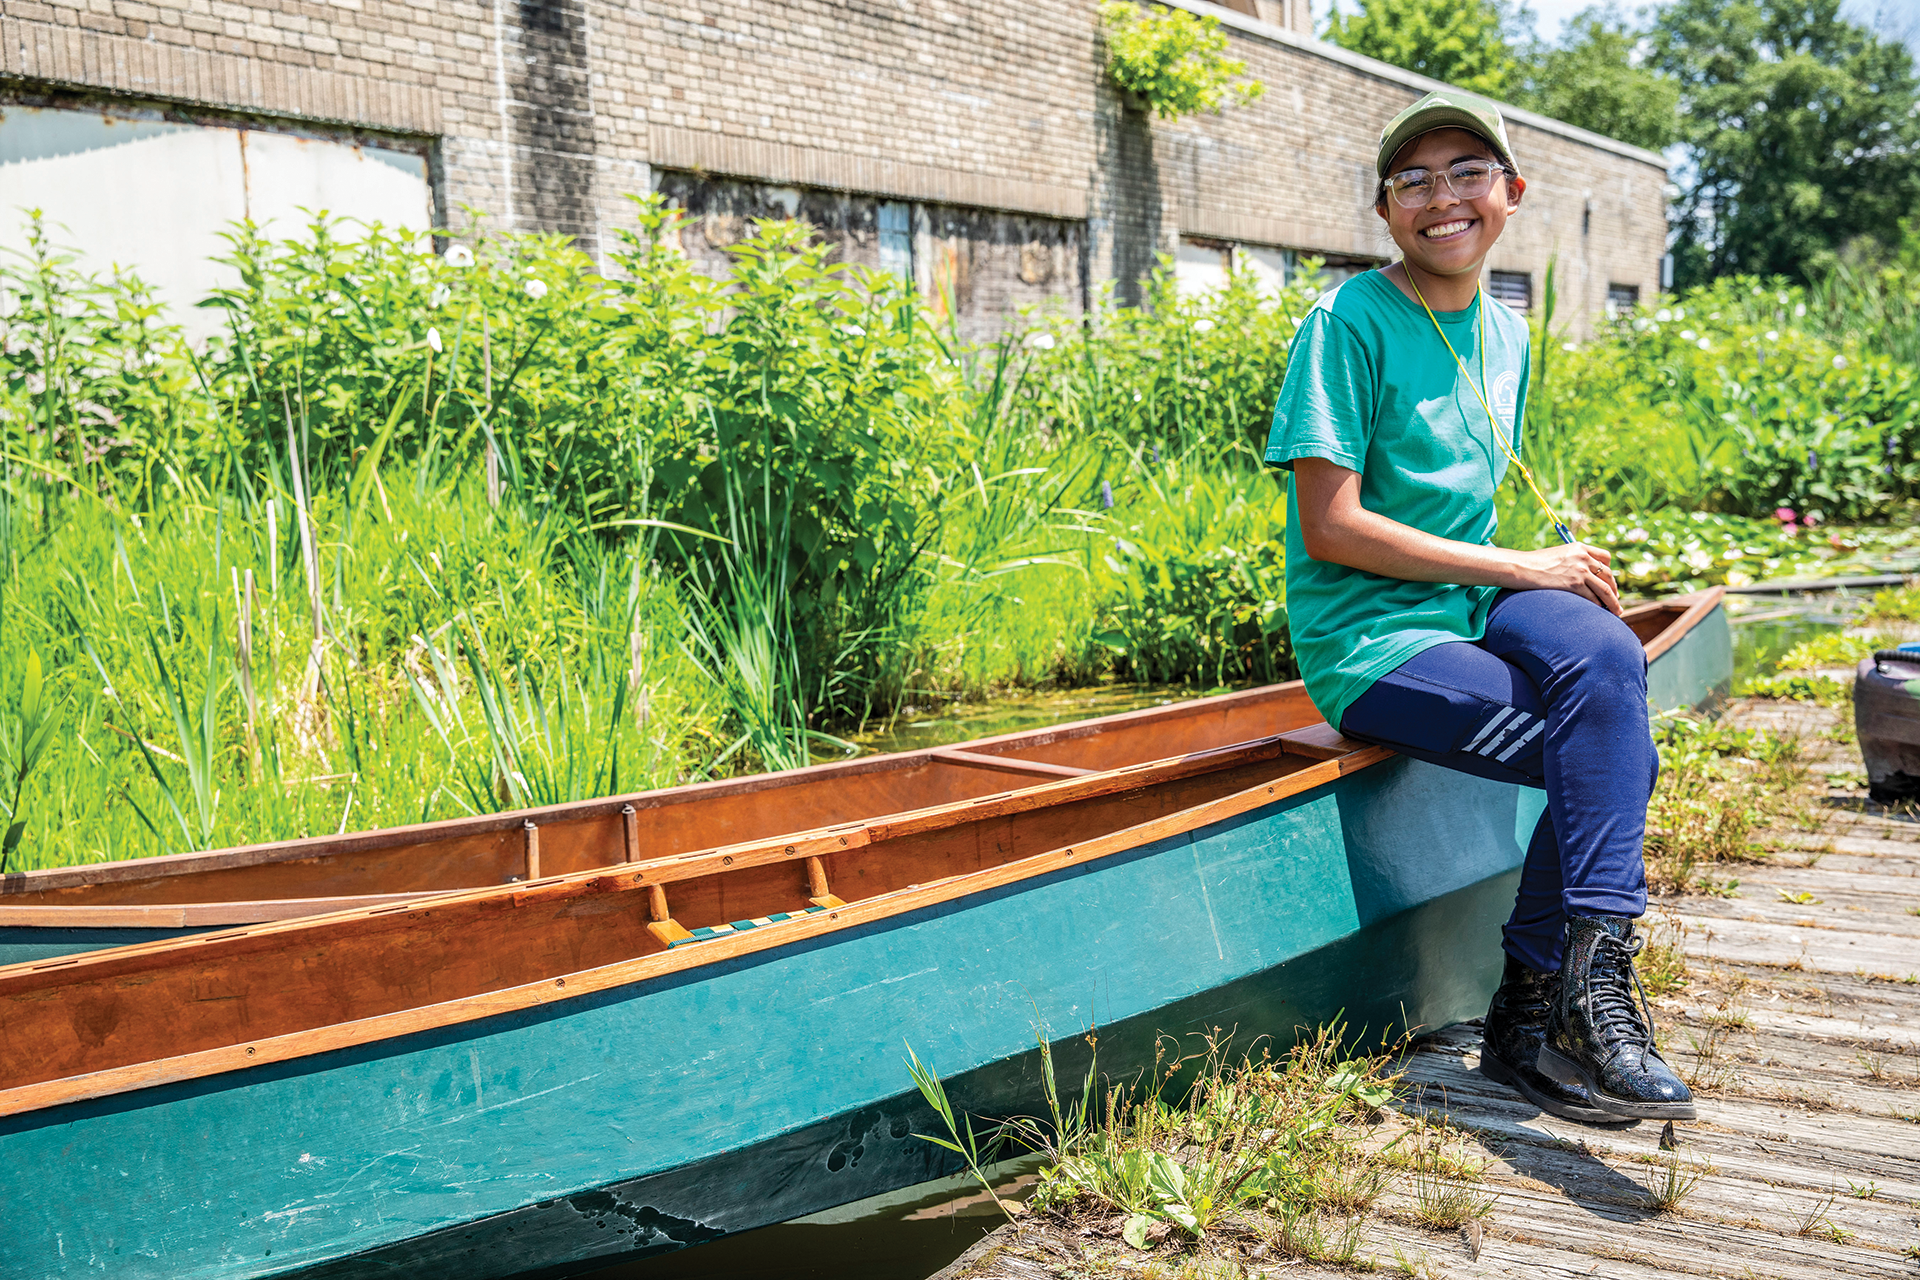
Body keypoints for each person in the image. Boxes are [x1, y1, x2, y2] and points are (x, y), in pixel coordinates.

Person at [1261, 90, 1694, 1124]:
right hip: (1374, 637)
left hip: (1471, 605)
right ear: (1384, 209)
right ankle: (1550, 1005)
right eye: (1413, 179)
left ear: (1511, 194)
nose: (1441, 197)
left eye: (1465, 172)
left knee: (1605, 655)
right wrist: (1521, 566)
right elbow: (1331, 525)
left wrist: (1541, 575)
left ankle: (1571, 998)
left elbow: (1472, 496)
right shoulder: (1345, 322)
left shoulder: (1507, 331)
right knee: (1600, 749)